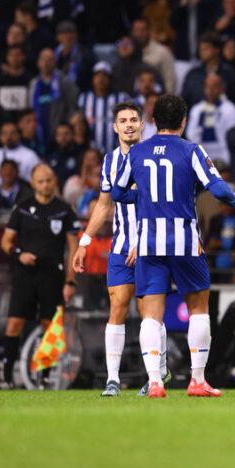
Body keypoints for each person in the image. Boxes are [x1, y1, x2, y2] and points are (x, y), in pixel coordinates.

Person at [112, 94, 235, 398]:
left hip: (148, 242)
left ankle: (155, 383)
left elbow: (118, 193)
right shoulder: (191, 150)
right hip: (185, 241)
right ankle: (197, 380)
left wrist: (143, 198)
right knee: (198, 308)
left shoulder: (136, 152)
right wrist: (234, 199)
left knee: (151, 314)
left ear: (153, 122)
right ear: (183, 121)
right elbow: (217, 187)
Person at [72, 102, 158, 397]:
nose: (130, 124)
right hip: (121, 246)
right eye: (124, 120)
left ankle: (155, 377)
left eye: (134, 119)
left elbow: (161, 204)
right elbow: (104, 205)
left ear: (142, 124)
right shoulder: (109, 161)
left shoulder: (153, 157)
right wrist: (85, 241)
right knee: (118, 305)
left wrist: (143, 240)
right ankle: (112, 379)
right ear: (115, 127)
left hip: (151, 244)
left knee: (149, 311)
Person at [0, 163, 79, 388]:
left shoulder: (64, 210)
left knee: (49, 326)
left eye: (49, 180)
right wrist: (19, 254)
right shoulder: (22, 208)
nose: (46, 184)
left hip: (52, 276)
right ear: (33, 183)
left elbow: (73, 248)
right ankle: (6, 379)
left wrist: (70, 281)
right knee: (14, 324)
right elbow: (6, 242)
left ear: (55, 181)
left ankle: (45, 377)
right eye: (41, 181)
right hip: (25, 275)